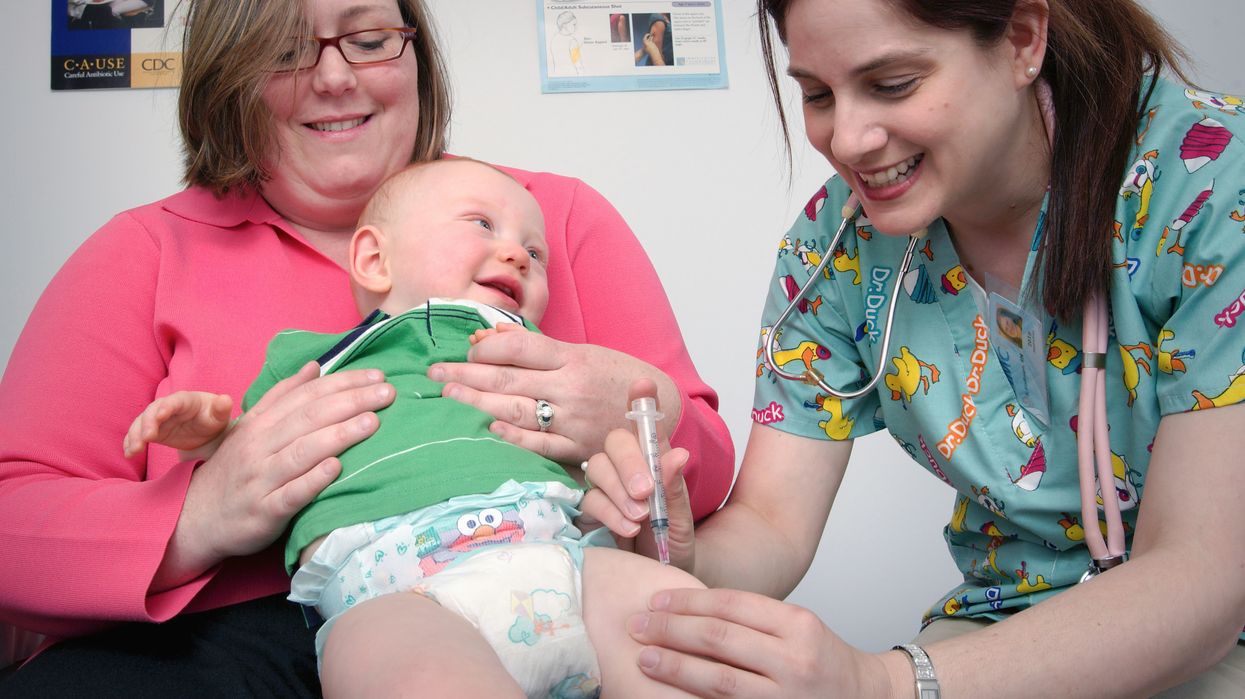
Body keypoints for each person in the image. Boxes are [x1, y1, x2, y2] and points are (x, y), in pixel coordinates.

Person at [0, 0, 733, 694]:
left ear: (415, 53)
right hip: (226, 641)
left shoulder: (546, 220)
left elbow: (700, 473)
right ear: (231, 72)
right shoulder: (143, 251)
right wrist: (199, 516)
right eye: (286, 50)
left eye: (371, 39)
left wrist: (637, 409)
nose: (332, 76)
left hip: (556, 576)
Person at [587, 0, 1245, 696]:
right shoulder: (835, 250)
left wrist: (887, 684)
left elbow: (1201, 575)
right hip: (1003, 626)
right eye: (815, 93)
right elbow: (771, 522)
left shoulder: (1210, 184)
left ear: (1022, 38)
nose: (846, 139)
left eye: (892, 84)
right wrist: (681, 556)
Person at [122, 158, 704, 698]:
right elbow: (260, 460)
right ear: (376, 260)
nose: (521, 255)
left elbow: (601, 473)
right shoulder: (316, 360)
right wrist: (210, 436)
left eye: (536, 251)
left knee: (680, 625)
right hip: (392, 588)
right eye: (483, 224)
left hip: (563, 558)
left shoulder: (547, 365)